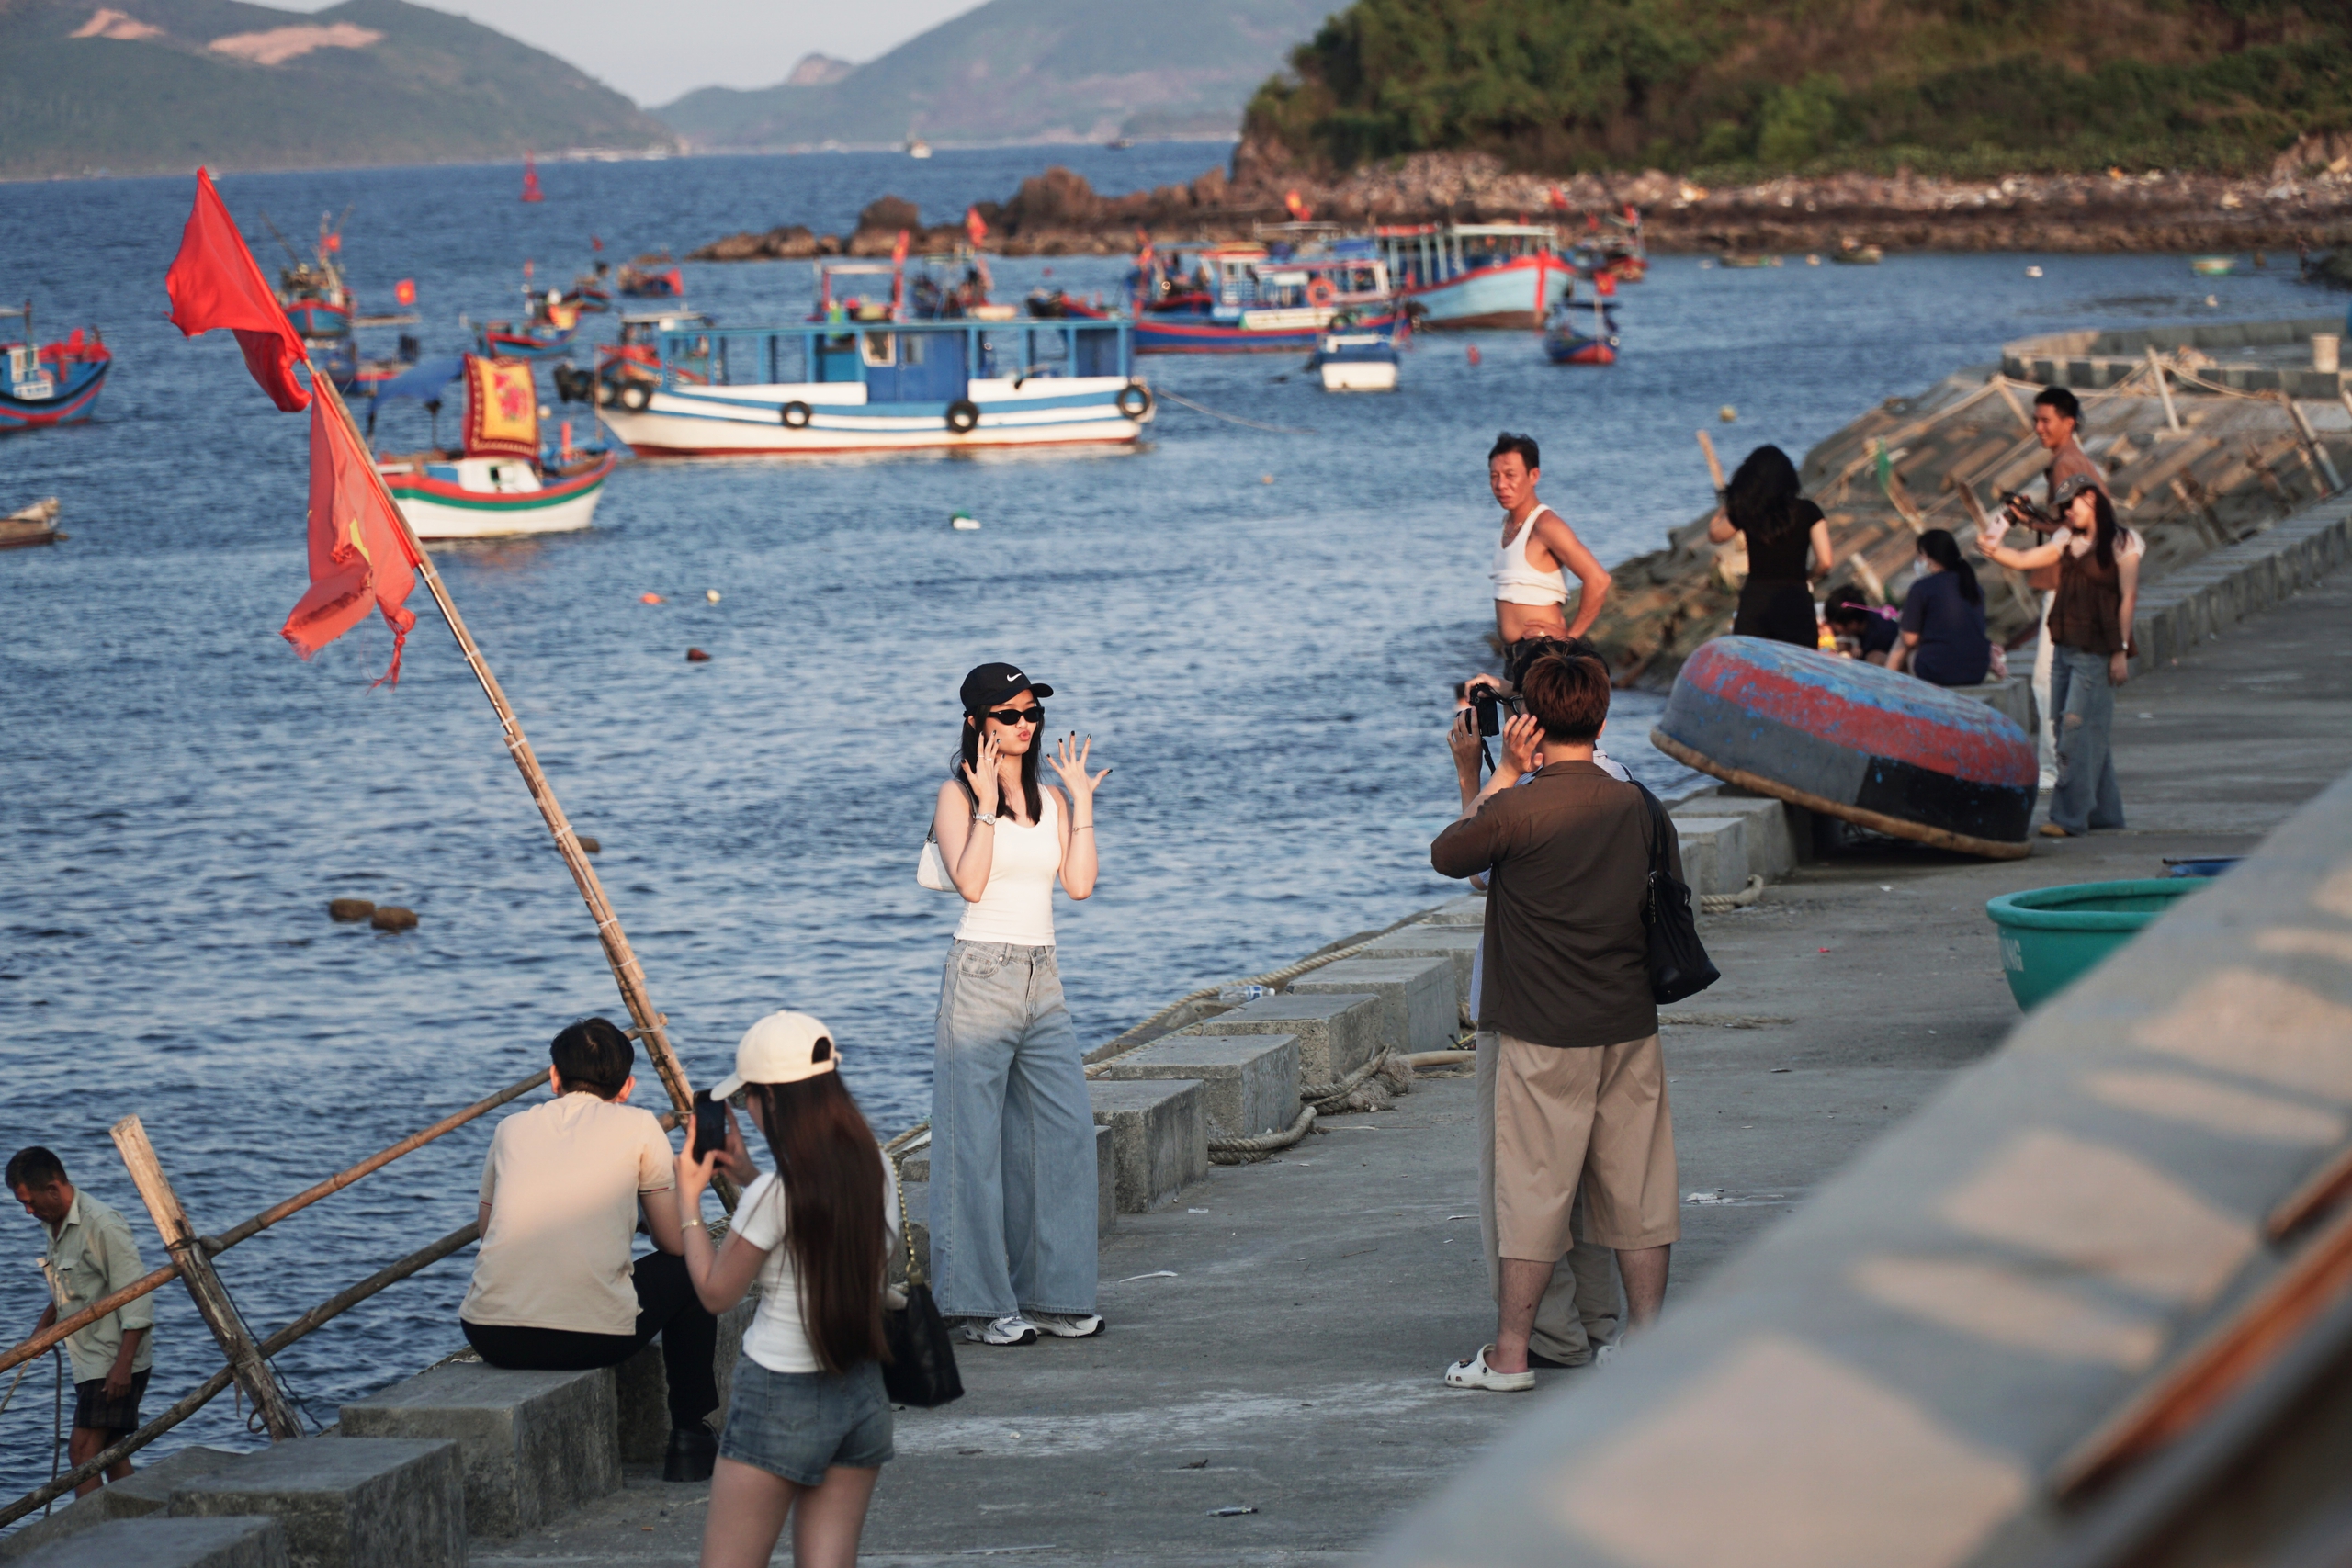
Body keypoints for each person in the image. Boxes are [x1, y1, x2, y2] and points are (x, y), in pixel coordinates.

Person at [1429, 650, 1682, 1391]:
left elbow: (1451, 854)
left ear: (1529, 723)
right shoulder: (1634, 802)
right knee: (1638, 1186)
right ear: (1602, 719)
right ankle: (1646, 1340)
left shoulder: (1521, 804)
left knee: (1533, 1192)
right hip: (1627, 1017)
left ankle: (1512, 1353)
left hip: (1542, 1027)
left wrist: (1495, 771)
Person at [1445, 677, 1625, 1369]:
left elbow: (1467, 860)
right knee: (1592, 1179)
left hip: (1527, 1006)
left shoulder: (1533, 795)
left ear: (1532, 720)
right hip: (1607, 1006)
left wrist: (1484, 773)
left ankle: (1542, 1336)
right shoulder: (1621, 784)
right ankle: (1597, 1321)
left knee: (1519, 1183)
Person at [929, 662, 1110, 1346]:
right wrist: (980, 803)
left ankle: (1053, 1293)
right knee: (970, 1145)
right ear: (979, 721)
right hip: (979, 974)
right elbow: (971, 882)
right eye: (1010, 714)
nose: (1026, 724)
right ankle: (973, 1305)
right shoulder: (953, 796)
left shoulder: (1049, 800)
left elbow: (1080, 884)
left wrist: (1081, 801)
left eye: (1031, 712)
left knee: (1063, 1135)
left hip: (1043, 975)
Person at [677, 1011, 899, 1568]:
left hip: (782, 1395)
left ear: (771, 1100)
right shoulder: (875, 1165)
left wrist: (688, 1199)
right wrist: (749, 1174)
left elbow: (714, 1293)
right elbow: (812, 1225)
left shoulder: (776, 1195)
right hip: (861, 1389)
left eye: (750, 1096)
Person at [459, 1018, 720, 1482]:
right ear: (627, 1086)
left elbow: (489, 1233)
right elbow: (672, 1242)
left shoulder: (510, 1128)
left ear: (555, 1077)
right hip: (590, 1341)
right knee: (692, 1271)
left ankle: (691, 1437)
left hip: (491, 1333)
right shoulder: (641, 1126)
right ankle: (690, 1436)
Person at [1980, 479, 2140, 837]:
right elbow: (2022, 559)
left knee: (2075, 730)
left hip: (2097, 650)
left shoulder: (2123, 542)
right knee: (2076, 727)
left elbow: (2128, 598)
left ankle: (2067, 817)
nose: (2068, 513)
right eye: (2064, 508)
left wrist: (2121, 652)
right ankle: (2105, 815)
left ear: (2091, 499)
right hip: (2065, 645)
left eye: (2072, 505)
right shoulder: (2067, 539)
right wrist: (1991, 547)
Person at [10, 1149, 153, 1495]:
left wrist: (123, 1365)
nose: (29, 1212)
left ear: (53, 1189)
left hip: (112, 1359)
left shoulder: (103, 1225)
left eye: (30, 1202)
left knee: (82, 1451)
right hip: (88, 1358)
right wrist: (41, 1333)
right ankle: (137, 1523)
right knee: (110, 1448)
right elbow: (70, 1290)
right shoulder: (54, 1224)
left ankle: (95, 1540)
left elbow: (137, 1296)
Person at [2011, 387, 2105, 778]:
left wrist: (2031, 522)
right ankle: (2077, 771)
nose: (2038, 428)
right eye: (2035, 420)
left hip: (2067, 586)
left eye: (2045, 420)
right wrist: (2036, 518)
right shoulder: (2075, 460)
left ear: (2069, 422)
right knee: (2070, 681)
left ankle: (2053, 772)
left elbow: (2076, 526)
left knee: (2046, 680)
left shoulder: (2067, 464)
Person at [1486, 433, 1612, 663]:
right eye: (1494, 476)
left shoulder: (1546, 525)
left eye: (1510, 475)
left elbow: (1599, 579)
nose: (1501, 484)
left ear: (1533, 475)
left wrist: (1570, 637)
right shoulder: (1508, 523)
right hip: (1514, 655)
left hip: (1542, 653)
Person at [1707, 445, 1834, 648]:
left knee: (1750, 661)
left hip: (1757, 600)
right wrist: (1808, 575)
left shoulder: (1748, 511)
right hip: (1796, 599)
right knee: (1798, 664)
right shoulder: (1809, 511)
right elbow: (1825, 561)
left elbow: (1715, 534)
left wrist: (1733, 500)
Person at [1887, 529, 1992, 687]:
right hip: (1978, 671)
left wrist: (1906, 621)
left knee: (1905, 645)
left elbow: (1909, 639)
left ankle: (1886, 681)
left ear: (1930, 557)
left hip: (1940, 672)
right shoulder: (1973, 586)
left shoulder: (1922, 587)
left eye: (1920, 555)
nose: (1919, 561)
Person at [1822, 585, 1902, 663]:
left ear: (1853, 624)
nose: (1832, 627)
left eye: (1834, 624)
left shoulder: (1879, 636)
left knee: (1874, 658)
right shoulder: (1864, 619)